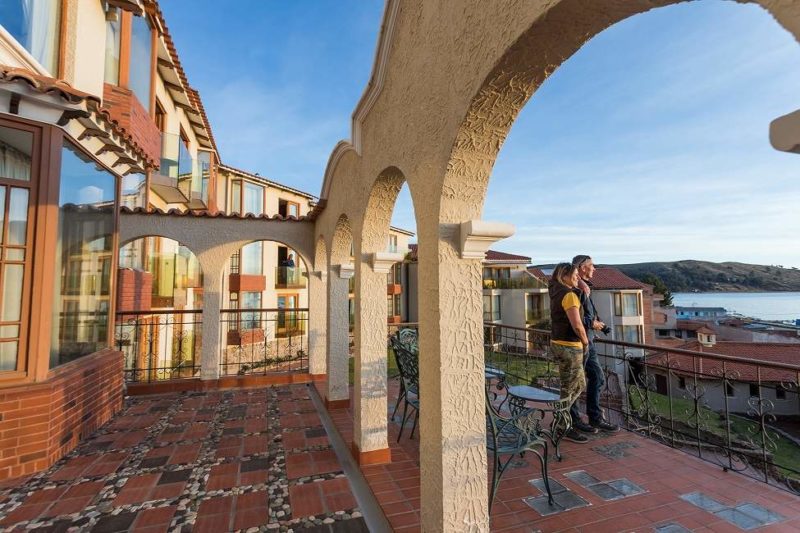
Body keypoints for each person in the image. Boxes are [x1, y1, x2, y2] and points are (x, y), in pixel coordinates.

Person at [572, 254, 619, 432]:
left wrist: (593, 328)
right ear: (583, 267)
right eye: (592, 265)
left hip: (586, 339)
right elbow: (579, 319)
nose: (594, 268)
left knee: (585, 379)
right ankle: (587, 419)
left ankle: (589, 418)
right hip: (582, 342)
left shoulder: (582, 288)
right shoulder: (579, 289)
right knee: (590, 378)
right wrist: (595, 325)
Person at [548, 262, 589, 444]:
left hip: (558, 343)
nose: (577, 278)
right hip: (570, 346)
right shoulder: (569, 295)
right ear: (563, 276)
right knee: (573, 386)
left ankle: (562, 422)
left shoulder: (556, 292)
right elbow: (577, 324)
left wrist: (580, 284)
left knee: (572, 385)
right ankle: (562, 425)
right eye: (574, 275)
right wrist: (586, 341)